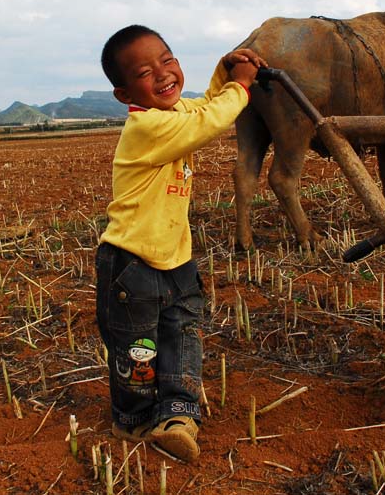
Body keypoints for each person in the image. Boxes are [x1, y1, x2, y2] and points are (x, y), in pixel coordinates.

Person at [96, 24, 264, 462]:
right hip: (132, 263)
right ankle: (133, 421)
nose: (163, 74)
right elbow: (212, 120)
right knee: (139, 348)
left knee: (182, 334)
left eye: (167, 61)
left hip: (176, 257)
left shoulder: (171, 115)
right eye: (145, 71)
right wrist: (241, 88)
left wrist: (224, 73)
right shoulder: (146, 127)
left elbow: (204, 107)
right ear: (123, 94)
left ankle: (177, 416)